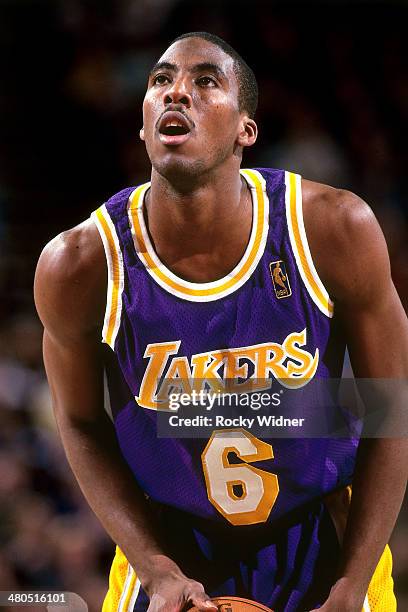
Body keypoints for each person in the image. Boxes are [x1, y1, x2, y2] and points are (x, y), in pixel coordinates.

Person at [34, 32, 408, 612]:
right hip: (169, 540)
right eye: (160, 80)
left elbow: (393, 407)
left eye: (205, 81)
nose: (176, 91)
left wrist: (352, 585)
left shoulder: (332, 229)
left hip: (322, 534)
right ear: (143, 124)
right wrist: (153, 568)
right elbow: (80, 423)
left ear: (245, 130)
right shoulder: (81, 264)